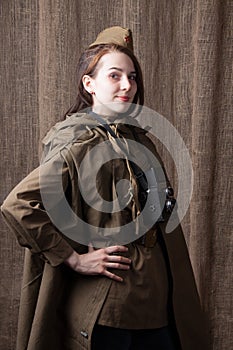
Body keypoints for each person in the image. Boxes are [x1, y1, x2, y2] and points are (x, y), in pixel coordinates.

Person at [1, 26, 209, 350]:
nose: (127, 85)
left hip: (159, 308)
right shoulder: (79, 142)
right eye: (115, 75)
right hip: (108, 313)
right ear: (89, 83)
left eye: (132, 76)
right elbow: (18, 204)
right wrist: (73, 259)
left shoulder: (140, 140)